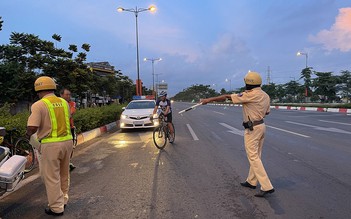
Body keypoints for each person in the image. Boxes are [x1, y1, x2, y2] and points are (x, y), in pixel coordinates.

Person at [201, 71, 274, 198]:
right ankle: (252, 181)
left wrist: (209, 99)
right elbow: (267, 112)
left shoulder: (250, 95)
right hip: (261, 126)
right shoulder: (265, 95)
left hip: (253, 128)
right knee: (256, 155)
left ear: (249, 84)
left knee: (253, 157)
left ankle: (267, 186)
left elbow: (226, 97)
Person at [26, 76, 73, 216]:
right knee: (64, 173)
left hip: (51, 145)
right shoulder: (64, 102)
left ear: (38, 90)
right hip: (67, 142)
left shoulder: (39, 105)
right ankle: (63, 199)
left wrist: (28, 133)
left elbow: (33, 127)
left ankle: (56, 207)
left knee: (51, 177)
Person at [60, 88, 77, 171]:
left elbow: (71, 112)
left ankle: (68, 161)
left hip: (70, 128)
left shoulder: (72, 103)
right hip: (60, 129)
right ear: (61, 95)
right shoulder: (57, 103)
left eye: (69, 94)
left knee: (71, 147)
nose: (68, 96)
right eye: (66, 94)